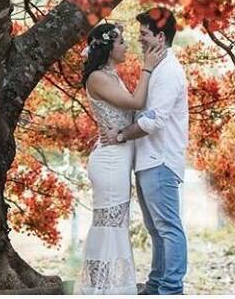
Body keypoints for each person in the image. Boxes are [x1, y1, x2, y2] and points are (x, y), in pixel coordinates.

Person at [99, 7, 189, 295]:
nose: (139, 41)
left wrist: (121, 135)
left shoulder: (168, 72)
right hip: (148, 160)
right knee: (157, 230)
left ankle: (171, 289)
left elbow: (152, 121)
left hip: (160, 160)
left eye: (144, 35)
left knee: (168, 229)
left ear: (160, 37)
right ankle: (155, 286)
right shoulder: (158, 69)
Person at [77, 22, 164, 295]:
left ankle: (106, 288)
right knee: (108, 226)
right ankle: (101, 290)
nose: (126, 46)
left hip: (118, 157)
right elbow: (137, 103)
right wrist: (148, 67)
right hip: (110, 160)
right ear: (108, 47)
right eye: (121, 42)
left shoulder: (111, 75)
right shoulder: (98, 78)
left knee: (114, 225)